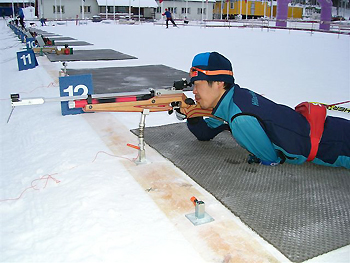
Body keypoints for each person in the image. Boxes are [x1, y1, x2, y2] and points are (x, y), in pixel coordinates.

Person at [176, 52, 350, 169]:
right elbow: (205, 133)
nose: (194, 91)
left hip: (334, 145)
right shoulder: (235, 97)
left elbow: (270, 159)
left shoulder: (239, 118)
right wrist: (192, 116)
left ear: (219, 83)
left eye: (198, 85)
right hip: (329, 128)